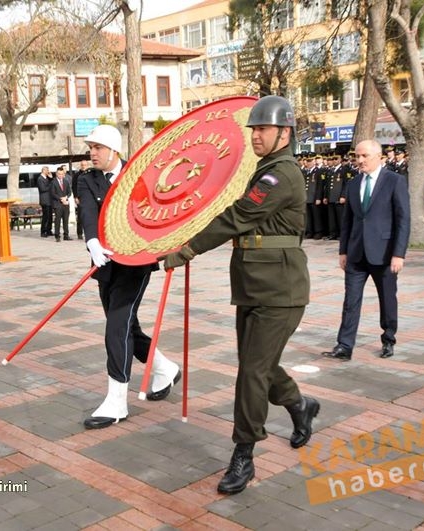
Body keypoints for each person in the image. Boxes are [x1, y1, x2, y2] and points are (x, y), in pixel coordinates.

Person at [161, 96, 320, 495]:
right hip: (252, 287)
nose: (256, 136)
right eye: (253, 129)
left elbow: (239, 217)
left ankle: (244, 455)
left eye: (263, 129)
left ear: (285, 132)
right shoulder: (264, 170)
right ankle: (299, 405)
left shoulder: (281, 175)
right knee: (257, 366)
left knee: (251, 372)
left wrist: (187, 249)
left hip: (280, 291)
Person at [77, 124, 181, 431]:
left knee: (117, 327)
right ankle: (165, 368)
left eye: (97, 148)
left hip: (135, 264)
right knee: (127, 328)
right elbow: (88, 214)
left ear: (113, 150)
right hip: (105, 263)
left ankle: (116, 401)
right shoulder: (87, 180)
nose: (92, 153)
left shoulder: (137, 176)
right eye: (90, 148)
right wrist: (92, 241)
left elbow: (154, 213)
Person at [322, 139, 411, 361]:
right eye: (357, 156)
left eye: (365, 156)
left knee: (387, 299)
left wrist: (398, 254)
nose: (360, 160)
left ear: (379, 156)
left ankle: (388, 339)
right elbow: (347, 221)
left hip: (384, 253)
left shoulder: (394, 181)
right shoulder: (354, 183)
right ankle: (344, 345)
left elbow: (403, 219)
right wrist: (343, 251)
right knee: (351, 301)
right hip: (356, 253)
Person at [50, 166, 72, 242]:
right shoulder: (53, 182)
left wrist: (66, 197)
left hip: (65, 203)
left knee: (66, 220)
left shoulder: (66, 181)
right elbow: (53, 193)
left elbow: (69, 192)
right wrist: (60, 198)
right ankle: (57, 236)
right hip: (57, 204)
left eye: (62, 174)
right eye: (59, 174)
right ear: (56, 174)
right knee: (58, 220)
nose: (60, 175)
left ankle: (66, 235)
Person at [72, 160, 90, 240]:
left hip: (89, 198)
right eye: (82, 165)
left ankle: (89, 233)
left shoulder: (90, 174)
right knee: (80, 216)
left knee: (89, 216)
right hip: (80, 198)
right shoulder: (77, 175)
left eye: (85, 165)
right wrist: (76, 197)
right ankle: (79, 233)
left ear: (87, 165)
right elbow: (74, 186)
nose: (83, 166)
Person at [37, 166, 54, 238]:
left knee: (50, 216)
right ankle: (43, 231)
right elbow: (43, 189)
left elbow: (52, 183)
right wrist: (50, 184)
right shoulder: (40, 179)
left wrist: (51, 178)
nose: (48, 172)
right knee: (46, 217)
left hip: (49, 200)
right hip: (45, 200)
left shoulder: (47, 178)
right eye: (47, 170)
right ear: (44, 170)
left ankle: (49, 230)